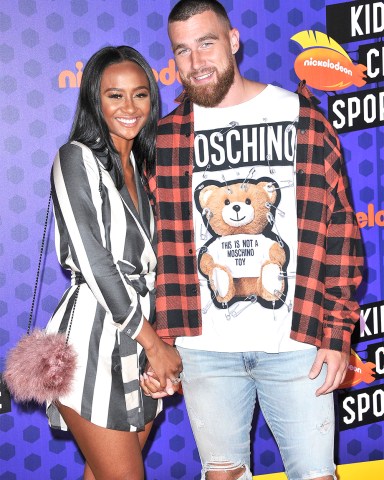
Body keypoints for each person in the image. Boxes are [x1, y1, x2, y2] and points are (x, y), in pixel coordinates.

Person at [142, 1, 364, 480]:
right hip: (204, 348)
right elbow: (155, 248)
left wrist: (337, 331)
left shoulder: (301, 117)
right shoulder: (166, 138)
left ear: (234, 40)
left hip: (297, 343)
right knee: (222, 474)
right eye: (182, 50)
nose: (196, 62)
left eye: (207, 43)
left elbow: (341, 229)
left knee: (316, 475)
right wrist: (161, 340)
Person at [44, 45, 182, 480]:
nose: (129, 107)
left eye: (139, 95)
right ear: (94, 101)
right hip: (93, 340)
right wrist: (154, 343)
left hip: (142, 342)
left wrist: (162, 343)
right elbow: (94, 260)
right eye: (114, 95)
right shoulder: (75, 158)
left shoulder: (147, 169)